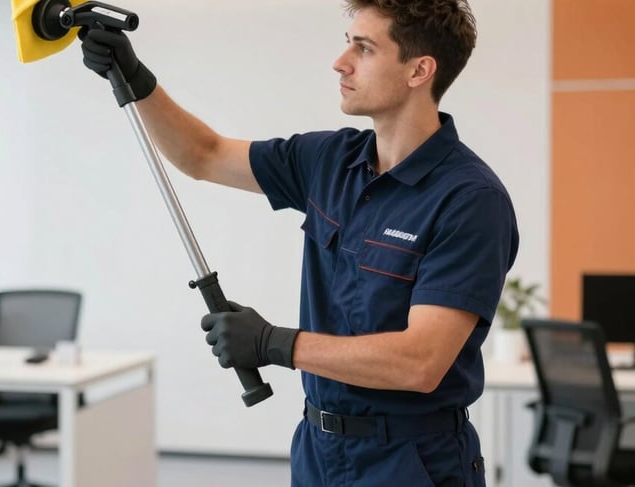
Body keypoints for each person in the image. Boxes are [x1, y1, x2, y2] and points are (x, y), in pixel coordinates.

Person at [79, 0, 518, 485]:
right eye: (348, 42)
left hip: (410, 460)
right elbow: (203, 155)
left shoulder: (469, 200)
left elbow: (420, 363)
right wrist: (137, 79)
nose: (341, 61)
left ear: (419, 70)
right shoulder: (330, 160)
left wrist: (274, 344)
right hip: (318, 449)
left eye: (364, 48)